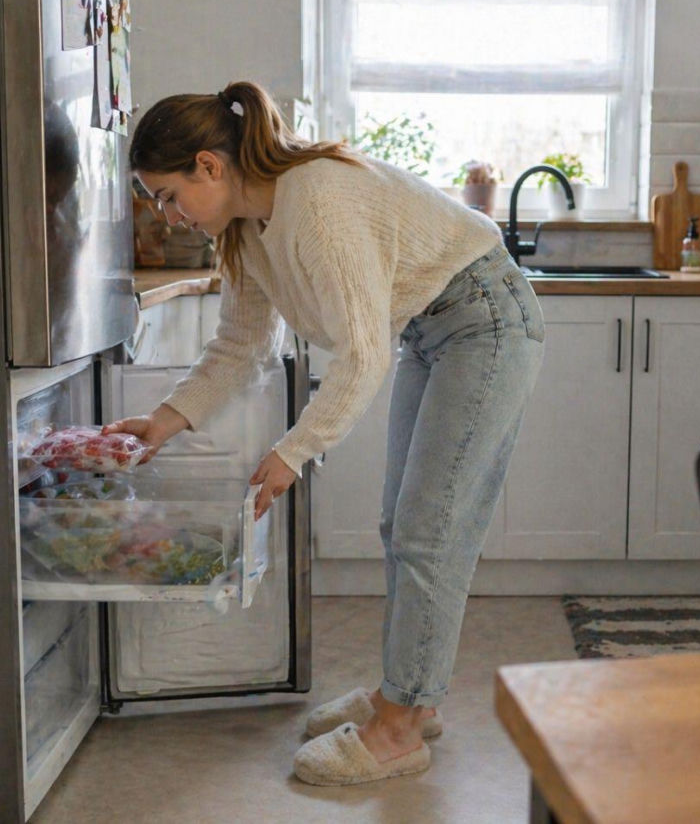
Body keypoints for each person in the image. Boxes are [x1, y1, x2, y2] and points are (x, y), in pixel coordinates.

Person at [109, 81, 544, 786]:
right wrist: (165, 419)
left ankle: (398, 728)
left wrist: (294, 452)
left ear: (208, 166)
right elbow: (240, 345)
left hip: (485, 320)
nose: (166, 214)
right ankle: (411, 696)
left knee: (429, 531)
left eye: (166, 195)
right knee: (402, 525)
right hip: (431, 329)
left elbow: (363, 354)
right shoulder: (245, 231)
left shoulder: (315, 199)